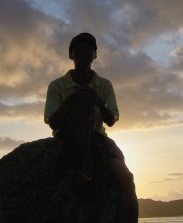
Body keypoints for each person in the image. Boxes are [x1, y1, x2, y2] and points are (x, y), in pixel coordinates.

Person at [44, 32, 138, 222]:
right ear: (71, 55)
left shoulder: (103, 85)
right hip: (67, 138)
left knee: (126, 179)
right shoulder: (57, 85)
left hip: (97, 139)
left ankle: (86, 160)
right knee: (82, 102)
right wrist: (73, 99)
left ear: (95, 55)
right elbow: (52, 121)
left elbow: (111, 119)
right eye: (79, 48)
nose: (85, 51)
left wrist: (97, 101)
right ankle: (84, 159)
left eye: (90, 48)